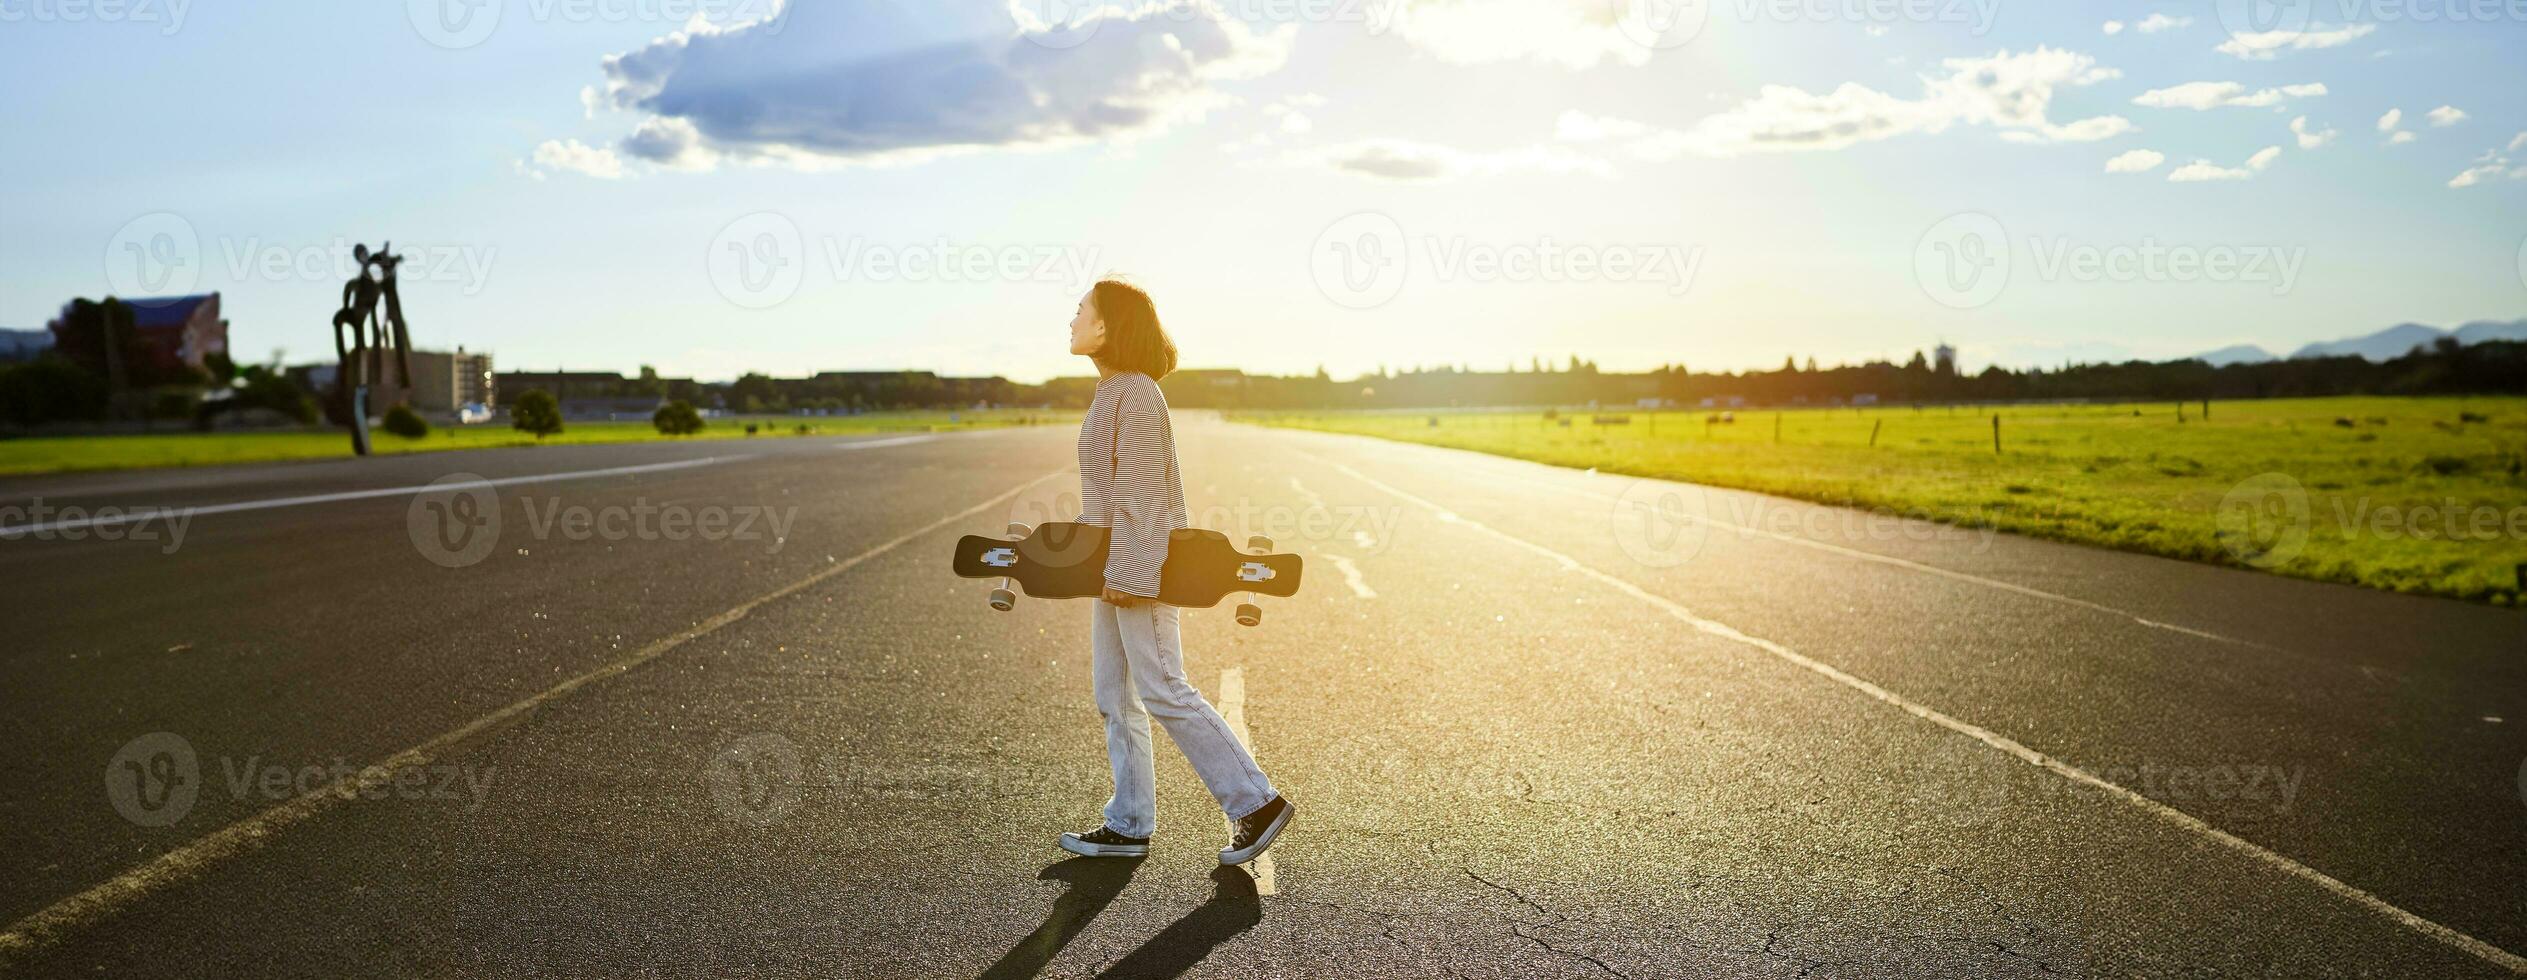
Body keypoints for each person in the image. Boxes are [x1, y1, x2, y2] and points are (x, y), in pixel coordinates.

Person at [1055, 279, 1294, 866]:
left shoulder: (1135, 393)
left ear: (1108, 326)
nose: (1072, 319)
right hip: (1110, 563)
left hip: (1138, 566)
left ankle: (1255, 802)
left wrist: (1131, 574)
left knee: (1163, 686)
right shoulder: (1111, 391)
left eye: (1081, 310)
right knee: (1113, 693)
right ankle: (1129, 820)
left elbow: (1148, 497)